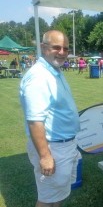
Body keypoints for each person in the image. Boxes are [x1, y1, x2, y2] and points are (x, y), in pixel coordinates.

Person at [19, 30, 81, 207]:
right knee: (47, 198)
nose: (62, 52)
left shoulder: (53, 70)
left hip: (62, 145)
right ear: (43, 47)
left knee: (57, 195)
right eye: (56, 47)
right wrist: (45, 156)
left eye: (66, 49)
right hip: (53, 147)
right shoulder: (39, 77)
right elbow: (35, 120)